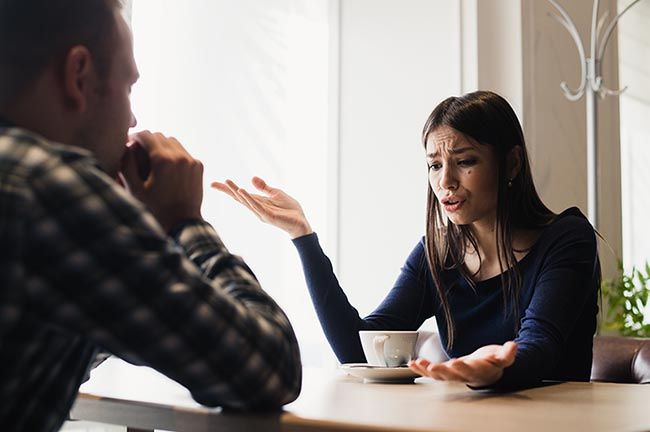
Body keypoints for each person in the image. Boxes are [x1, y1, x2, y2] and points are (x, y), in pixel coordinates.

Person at [0, 1, 301, 430]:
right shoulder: (48, 186)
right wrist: (184, 223)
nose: (133, 117)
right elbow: (271, 367)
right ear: (78, 75)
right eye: (128, 86)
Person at [213, 90, 600, 391]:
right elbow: (358, 348)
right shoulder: (437, 252)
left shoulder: (566, 239)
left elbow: (539, 347)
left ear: (511, 163)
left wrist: (495, 368)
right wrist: (303, 237)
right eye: (434, 164)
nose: (445, 181)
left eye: (465, 161)